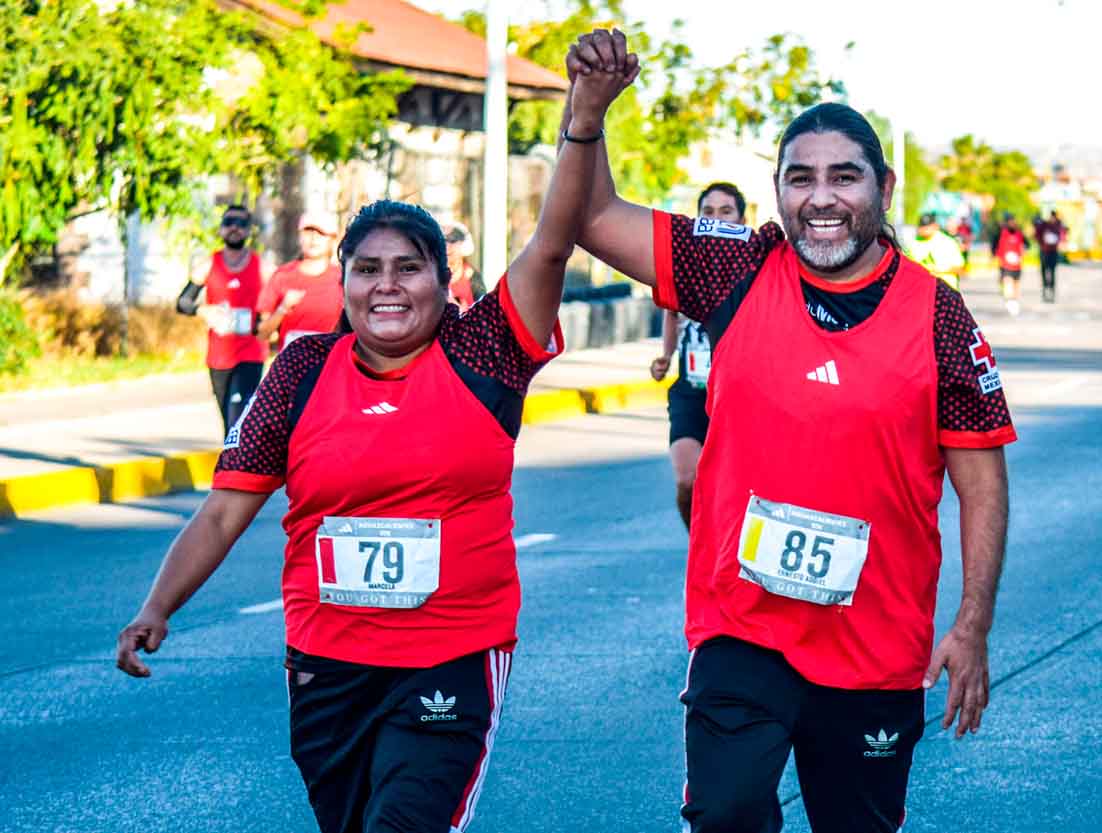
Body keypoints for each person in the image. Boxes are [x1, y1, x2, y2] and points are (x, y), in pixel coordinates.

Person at [117, 59, 636, 833]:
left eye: (407, 268)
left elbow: (552, 245)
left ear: (444, 280)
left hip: (450, 658)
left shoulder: (484, 350)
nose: (386, 285)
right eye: (367, 270)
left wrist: (583, 117)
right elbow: (224, 511)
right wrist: (157, 606)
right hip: (325, 665)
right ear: (345, 283)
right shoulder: (301, 370)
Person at [568, 30, 1014, 833]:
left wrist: (972, 624)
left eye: (844, 176)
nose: (821, 197)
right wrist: (588, 114)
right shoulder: (735, 267)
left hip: (875, 645)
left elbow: (981, 482)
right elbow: (596, 217)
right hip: (742, 629)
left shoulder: (938, 314)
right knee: (727, 812)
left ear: (884, 186)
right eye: (799, 177)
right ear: (776, 190)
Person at [650, 182, 747, 529]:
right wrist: (666, 355)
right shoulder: (686, 266)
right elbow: (670, 311)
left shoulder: (752, 269)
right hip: (691, 391)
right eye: (708, 212)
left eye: (726, 212)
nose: (716, 220)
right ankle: (698, 544)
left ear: (741, 221)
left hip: (737, 396)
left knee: (737, 487)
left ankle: (726, 547)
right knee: (686, 477)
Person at [175, 204, 267, 437]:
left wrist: (265, 323)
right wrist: (203, 310)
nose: (234, 228)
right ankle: (233, 457)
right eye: (228, 223)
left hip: (250, 354)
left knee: (239, 415)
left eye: (241, 223)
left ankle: (237, 459)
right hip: (218, 356)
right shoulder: (209, 264)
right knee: (228, 419)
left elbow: (277, 301)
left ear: (249, 230)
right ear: (220, 229)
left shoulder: (261, 266)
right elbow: (182, 302)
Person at [256, 210, 344, 351]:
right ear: (299, 236)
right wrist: (282, 309)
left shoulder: (343, 279)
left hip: (331, 361)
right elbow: (262, 334)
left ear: (333, 239)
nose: (313, 238)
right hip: (292, 362)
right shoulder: (282, 276)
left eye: (321, 233)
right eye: (308, 232)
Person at [910, 212, 965, 291]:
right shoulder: (913, 243)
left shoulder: (948, 242)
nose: (925, 229)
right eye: (923, 226)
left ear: (935, 226)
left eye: (928, 226)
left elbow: (960, 268)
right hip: (921, 290)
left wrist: (939, 270)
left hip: (946, 291)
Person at [445, 222, 487, 313]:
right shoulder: (431, 277)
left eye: (452, 240)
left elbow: (484, 314)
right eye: (442, 240)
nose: (446, 246)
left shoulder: (473, 278)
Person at [993, 213, 1029, 317]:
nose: (1012, 223)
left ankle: (1014, 301)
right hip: (1005, 264)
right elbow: (994, 246)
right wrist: (995, 255)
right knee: (1007, 283)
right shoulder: (1000, 233)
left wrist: (1023, 251)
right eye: (1010, 221)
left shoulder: (1019, 233)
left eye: (1013, 221)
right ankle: (1010, 301)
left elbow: (1027, 245)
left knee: (1016, 285)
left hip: (1017, 265)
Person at [1033, 210, 1066, 303]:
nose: (1053, 219)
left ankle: (1052, 291)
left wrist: (1061, 242)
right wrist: (1041, 243)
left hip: (1053, 253)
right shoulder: (1044, 225)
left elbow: (1063, 235)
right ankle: (1044, 290)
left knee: (1052, 272)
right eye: (1052, 217)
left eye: (1054, 217)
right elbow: (1037, 234)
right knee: (1044, 272)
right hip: (1044, 252)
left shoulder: (1058, 226)